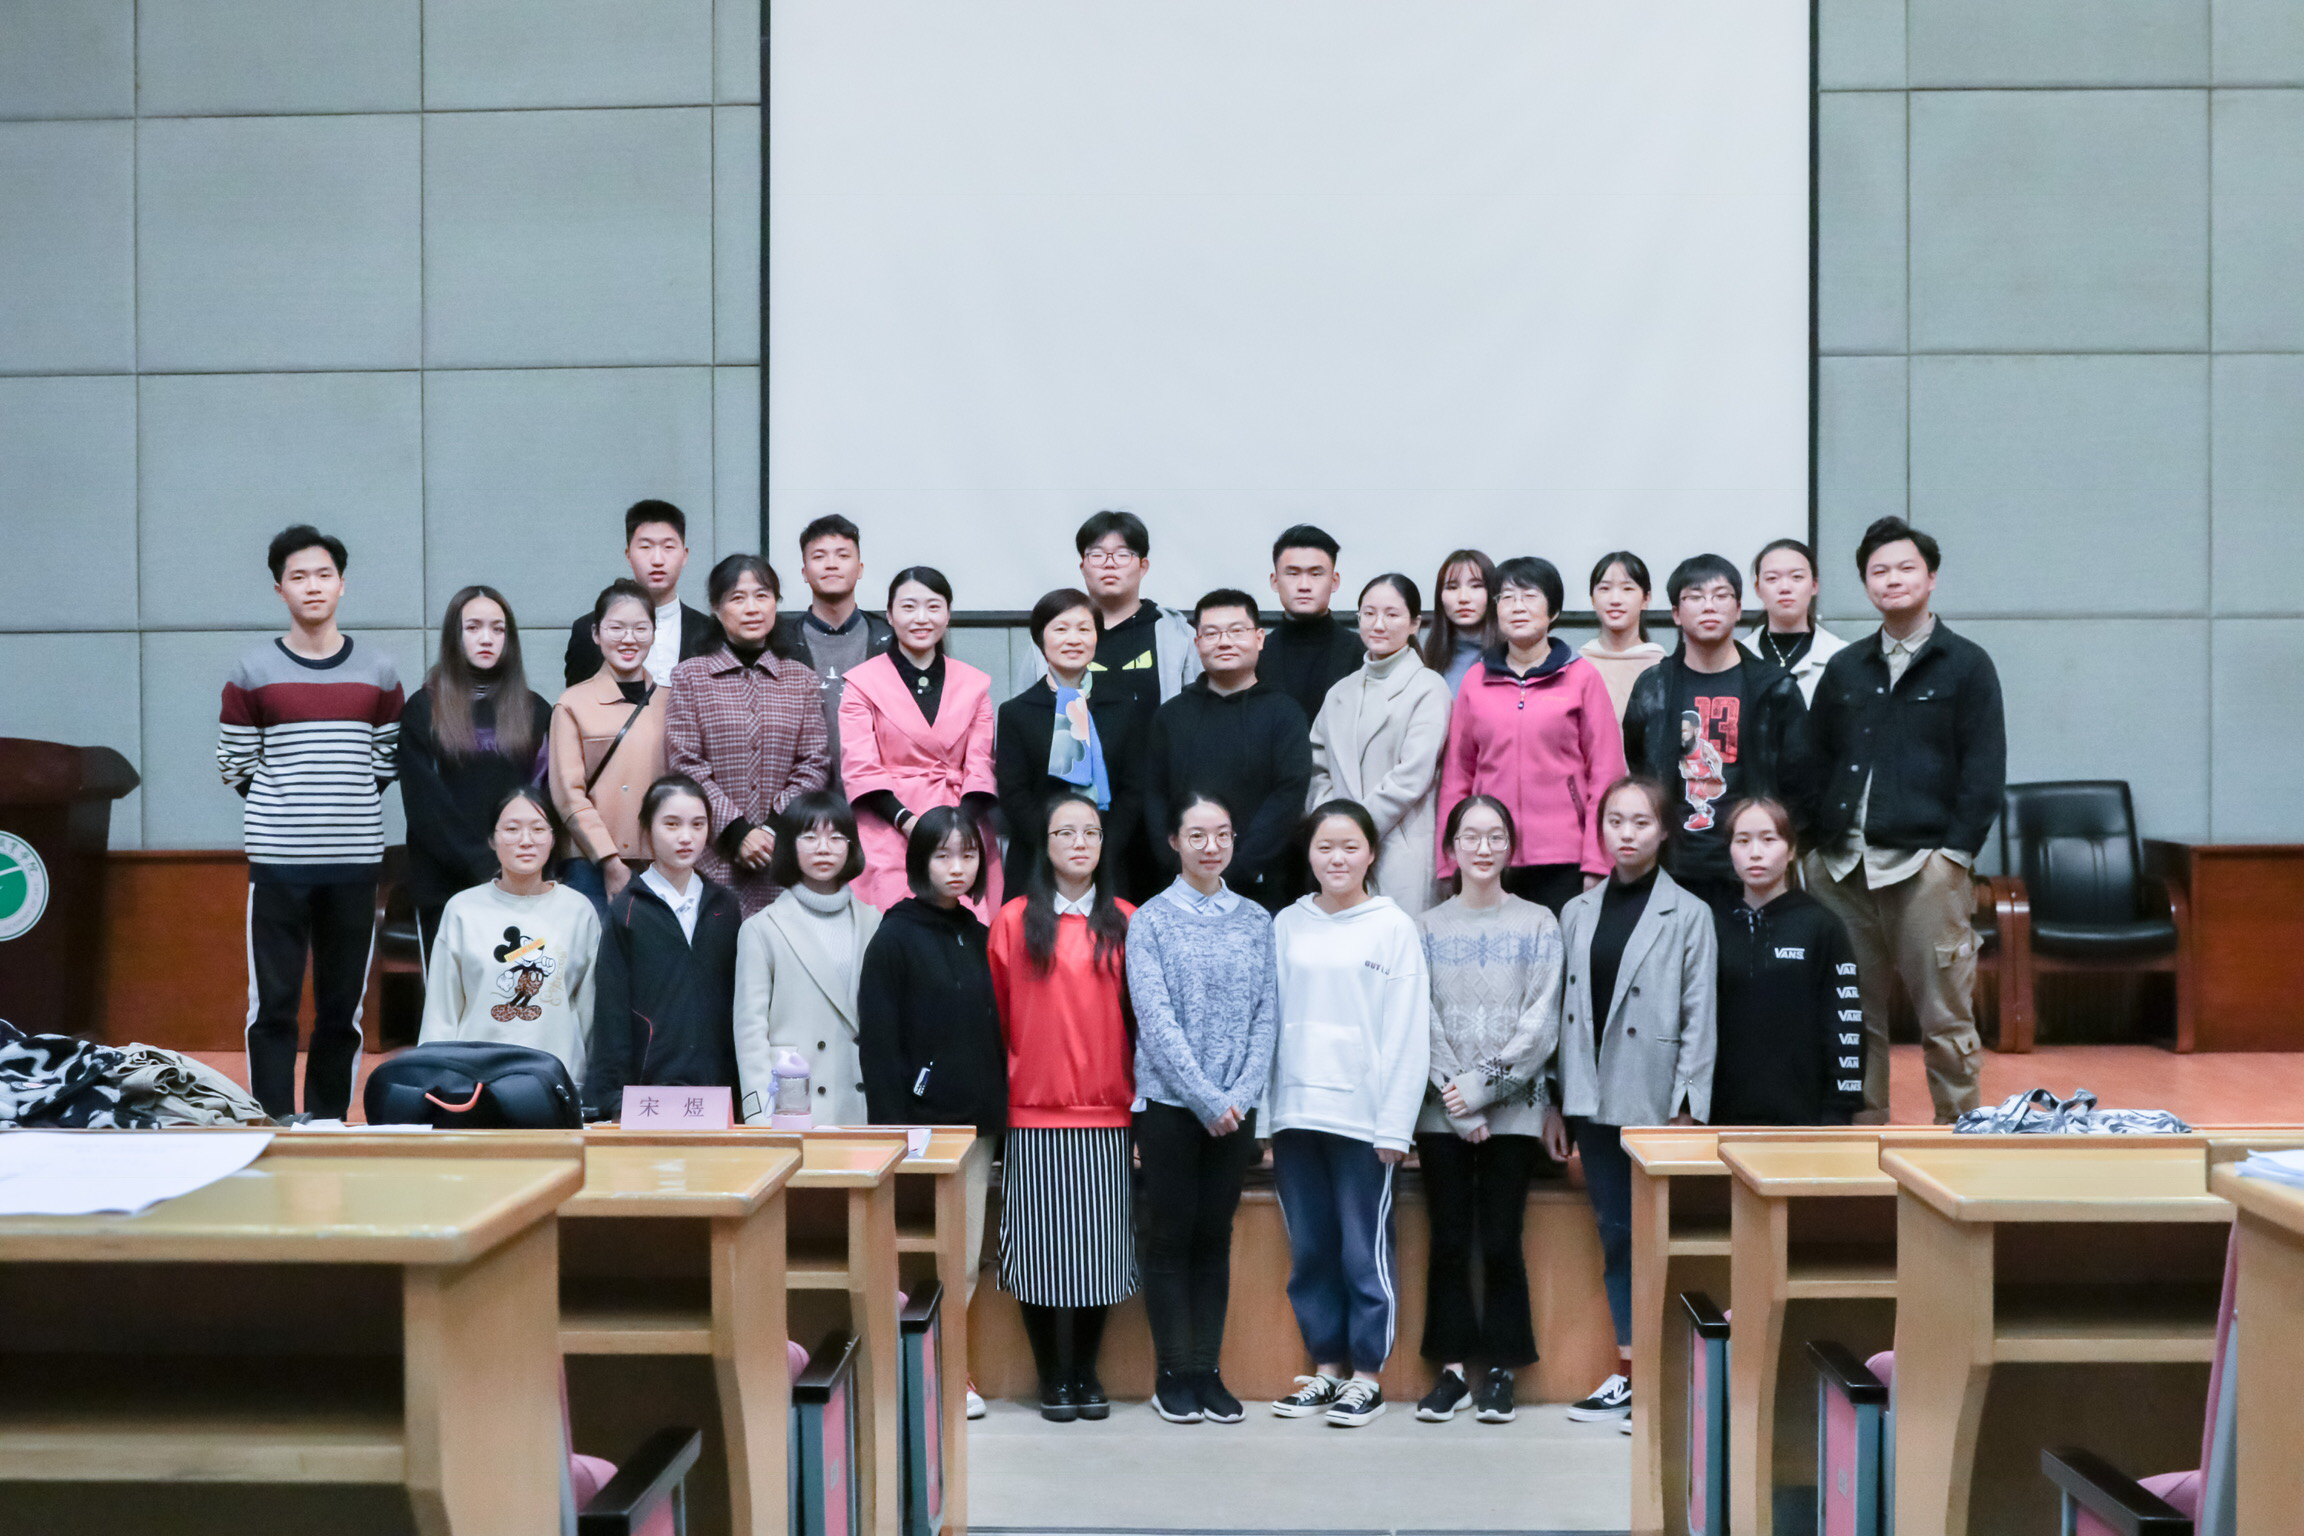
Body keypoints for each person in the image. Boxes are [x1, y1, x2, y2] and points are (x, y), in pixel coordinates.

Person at [1806, 517, 2005, 1124]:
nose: (1891, 579)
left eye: (1905, 568)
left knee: (1945, 1017)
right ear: (1865, 584)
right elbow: (1814, 759)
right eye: (1878, 571)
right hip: (1842, 869)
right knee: (1852, 1017)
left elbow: (1984, 770)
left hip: (1924, 869)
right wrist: (1811, 850)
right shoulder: (1846, 667)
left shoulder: (1966, 665)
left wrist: (1953, 857)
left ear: (1931, 577)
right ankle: (1862, 1136)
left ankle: (1957, 1134)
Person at [218, 524, 404, 1121]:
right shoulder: (252, 670)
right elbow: (235, 762)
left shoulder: (379, 670)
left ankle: (326, 1123)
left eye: (324, 575)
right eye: (298, 577)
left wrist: (340, 802)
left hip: (355, 863)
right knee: (272, 1005)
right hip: (278, 863)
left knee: (341, 1009)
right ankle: (272, 1122)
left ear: (342, 584)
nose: (313, 586)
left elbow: (387, 759)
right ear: (280, 590)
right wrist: (288, 806)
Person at [1547, 775, 1716, 1427]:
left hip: (1654, 1098)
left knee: (1663, 1240)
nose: (1627, 833)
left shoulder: (1690, 913)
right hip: (1592, 1097)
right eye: (1615, 821)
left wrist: (1687, 1105)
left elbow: (1700, 1017)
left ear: (1664, 831)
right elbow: (1562, 1014)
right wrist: (1556, 1100)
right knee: (1616, 1235)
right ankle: (1629, 1371)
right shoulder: (1576, 911)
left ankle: (1672, 1376)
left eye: (1641, 822)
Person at [1266, 801, 1432, 1429]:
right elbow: (1270, 1024)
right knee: (1310, 1250)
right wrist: (1267, 1119)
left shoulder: (1393, 927)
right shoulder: (1287, 924)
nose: (1337, 858)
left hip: (1364, 1121)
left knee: (1364, 1252)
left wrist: (1395, 1125)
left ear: (1371, 853)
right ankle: (1327, 1368)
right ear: (1308, 854)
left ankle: (1366, 1377)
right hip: (1296, 1114)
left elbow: (1407, 1032)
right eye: (1324, 847)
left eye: (1350, 847)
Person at [1127, 791, 1278, 1427]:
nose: (1210, 846)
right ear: (1175, 842)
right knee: (1169, 1238)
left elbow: (1267, 1015)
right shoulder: (1150, 921)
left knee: (1214, 1239)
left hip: (1234, 1114)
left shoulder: (1257, 920)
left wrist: (1238, 1096)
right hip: (1169, 1106)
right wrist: (1207, 1097)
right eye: (1197, 835)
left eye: (1222, 834)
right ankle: (1172, 1374)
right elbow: (1155, 1018)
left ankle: (1207, 1371)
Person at [987, 793, 1139, 1423]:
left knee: (1101, 1257)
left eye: (1091, 832)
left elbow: (1142, 1024)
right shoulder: (1013, 921)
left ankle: (1086, 1372)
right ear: (1044, 844)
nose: (1080, 843)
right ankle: (1052, 1375)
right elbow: (999, 1019)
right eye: (1065, 832)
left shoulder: (1128, 921)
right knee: (1039, 1257)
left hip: (1108, 1116)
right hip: (1033, 1115)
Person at [1412, 795, 1562, 1426]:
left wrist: (1480, 1090)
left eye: (1495, 836)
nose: (1482, 847)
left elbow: (1541, 1024)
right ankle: (1451, 1371)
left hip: (1515, 1110)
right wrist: (1456, 1097)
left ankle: (1501, 1370)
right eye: (1469, 836)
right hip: (1439, 1111)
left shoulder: (1539, 923)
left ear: (1511, 847)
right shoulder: (1423, 927)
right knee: (1448, 1239)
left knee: (1501, 1239)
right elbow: (1419, 1019)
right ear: (1450, 848)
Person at [1621, 553, 1814, 913]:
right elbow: (1639, 764)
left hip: (1751, 869)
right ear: (1676, 613)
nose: (1709, 606)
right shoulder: (1654, 686)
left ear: (1739, 609)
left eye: (1721, 595)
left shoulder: (1774, 687)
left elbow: (1800, 779)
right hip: (1671, 867)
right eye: (1695, 597)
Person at [1436, 556, 1626, 916]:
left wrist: (1598, 860)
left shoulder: (1582, 677)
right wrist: (1449, 860)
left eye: (1530, 596)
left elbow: (1606, 775)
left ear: (1553, 611)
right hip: (1488, 856)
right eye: (1507, 597)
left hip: (1565, 859)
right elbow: (1456, 779)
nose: (1517, 606)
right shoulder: (1476, 680)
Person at [664, 555, 831, 920]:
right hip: (712, 858)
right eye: (737, 598)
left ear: (776, 603)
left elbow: (814, 764)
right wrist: (737, 832)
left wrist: (771, 830)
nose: (752, 608)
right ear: (716, 607)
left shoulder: (801, 679)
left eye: (762, 595)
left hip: (782, 858)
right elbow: (684, 764)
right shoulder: (690, 677)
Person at [400, 584, 553, 962]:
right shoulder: (423, 708)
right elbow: (425, 806)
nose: (487, 638)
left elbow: (545, 797)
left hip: (520, 882)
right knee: (451, 994)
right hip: (444, 886)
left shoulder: (536, 710)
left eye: (497, 629)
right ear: (454, 635)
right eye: (473, 627)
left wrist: (514, 869)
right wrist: (486, 868)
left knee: (515, 989)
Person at [840, 567, 1002, 916]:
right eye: (909, 607)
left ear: (948, 614)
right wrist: (910, 823)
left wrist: (955, 828)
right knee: (892, 925)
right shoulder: (862, 683)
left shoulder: (974, 684)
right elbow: (860, 768)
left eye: (933, 606)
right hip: (889, 826)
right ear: (889, 615)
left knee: (966, 929)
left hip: (960, 826)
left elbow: (980, 767)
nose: (921, 618)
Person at [1141, 590, 1314, 912]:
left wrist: (1238, 867)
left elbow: (1289, 794)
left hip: (1265, 887)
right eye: (1211, 633)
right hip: (1183, 887)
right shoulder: (1171, 716)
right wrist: (1180, 864)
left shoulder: (1285, 713)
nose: (1224, 642)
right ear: (1197, 643)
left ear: (1259, 638)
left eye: (1236, 631)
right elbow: (1154, 794)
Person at [418, 785, 600, 1086]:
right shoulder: (463, 910)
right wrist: (438, 1081)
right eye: (512, 829)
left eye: (538, 829)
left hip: (557, 1080)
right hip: (475, 1081)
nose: (526, 841)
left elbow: (590, 1010)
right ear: (492, 839)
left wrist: (590, 1084)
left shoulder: (579, 910)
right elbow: (441, 1011)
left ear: (553, 838)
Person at [582, 775, 742, 1117]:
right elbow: (611, 1012)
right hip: (648, 1094)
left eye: (697, 824)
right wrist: (612, 1096)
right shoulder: (627, 909)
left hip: (718, 1091)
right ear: (647, 829)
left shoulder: (724, 906)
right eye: (671, 824)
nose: (686, 837)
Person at [1711, 797, 1864, 1126]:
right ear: (1730, 850)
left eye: (1769, 839)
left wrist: (1839, 1109)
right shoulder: (1709, 924)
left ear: (1792, 850)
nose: (1755, 853)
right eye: (1742, 841)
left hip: (1803, 1117)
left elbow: (1845, 1023)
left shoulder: (1822, 926)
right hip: (1720, 1116)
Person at [857, 805, 1008, 1136]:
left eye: (968, 856)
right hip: (922, 1125)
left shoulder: (982, 937)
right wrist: (893, 1132)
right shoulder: (893, 939)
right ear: (920, 860)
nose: (957, 868)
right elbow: (878, 1048)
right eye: (943, 856)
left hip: (985, 1122)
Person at [1309, 573, 1452, 919]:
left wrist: (1354, 831)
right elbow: (1317, 769)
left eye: (1392, 614)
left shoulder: (1428, 688)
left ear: (1415, 623)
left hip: (1401, 846)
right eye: (1369, 613)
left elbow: (1412, 776)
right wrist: (1332, 829)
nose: (1378, 624)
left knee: (1399, 941)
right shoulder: (1340, 692)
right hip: (1339, 854)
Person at [733, 791, 880, 1127]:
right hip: (793, 1107)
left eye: (836, 837)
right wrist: (760, 1118)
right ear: (789, 845)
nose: (823, 848)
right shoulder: (762, 928)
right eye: (810, 837)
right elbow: (750, 1031)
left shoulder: (875, 922)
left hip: (862, 1105)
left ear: (851, 846)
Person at [995, 588, 1141, 899]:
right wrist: (1057, 846)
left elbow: (1134, 790)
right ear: (1041, 639)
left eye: (1084, 629)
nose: (1073, 639)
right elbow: (1014, 794)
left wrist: (1100, 847)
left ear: (1097, 638)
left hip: (1109, 860)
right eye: (1061, 629)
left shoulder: (1125, 709)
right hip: (1036, 862)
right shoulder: (1016, 712)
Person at [550, 580, 670, 909]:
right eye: (616, 628)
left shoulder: (672, 701)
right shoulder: (572, 704)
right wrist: (610, 861)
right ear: (596, 633)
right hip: (590, 864)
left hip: (662, 862)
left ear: (654, 633)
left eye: (640, 628)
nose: (629, 639)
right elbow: (568, 795)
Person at [773, 514, 894, 778]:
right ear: (804, 573)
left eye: (842, 555)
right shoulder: (778, 640)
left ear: (860, 568)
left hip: (878, 788)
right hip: (801, 790)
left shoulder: (889, 638)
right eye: (819, 556)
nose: (831, 564)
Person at [563, 499, 725, 687]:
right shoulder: (588, 630)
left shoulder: (712, 633)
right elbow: (576, 700)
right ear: (628, 555)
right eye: (646, 547)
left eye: (668, 547)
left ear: (684, 555)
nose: (657, 560)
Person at [1262, 524, 1364, 724]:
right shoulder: (1256, 654)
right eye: (1293, 573)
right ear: (1274, 581)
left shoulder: (1361, 652)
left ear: (1334, 581)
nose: (1304, 586)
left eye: (1316, 574)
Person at [1742, 537, 1848, 704]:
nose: (1785, 588)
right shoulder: (1737, 657)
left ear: (1814, 586)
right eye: (1772, 578)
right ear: (1758, 589)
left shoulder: (1842, 657)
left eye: (1797, 577)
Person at [1579, 552, 1665, 721]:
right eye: (1604, 589)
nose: (1615, 600)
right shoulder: (1578, 664)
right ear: (1592, 599)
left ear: (1646, 599)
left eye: (1627, 589)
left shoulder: (1660, 665)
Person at [1419, 549, 1498, 695]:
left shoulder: (1512, 655)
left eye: (1476, 586)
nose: (1463, 598)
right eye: (1452, 587)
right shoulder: (1428, 657)